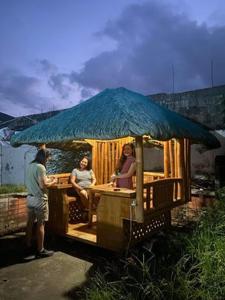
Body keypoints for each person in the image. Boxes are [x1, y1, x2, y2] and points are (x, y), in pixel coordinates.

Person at [25, 149, 57, 258]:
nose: (48, 161)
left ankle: (28, 244)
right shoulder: (41, 167)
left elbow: (36, 180)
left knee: (29, 223)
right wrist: (53, 181)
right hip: (39, 199)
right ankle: (41, 250)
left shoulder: (30, 165)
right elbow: (43, 185)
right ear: (44, 157)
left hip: (30, 198)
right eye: (48, 158)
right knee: (41, 224)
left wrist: (47, 179)